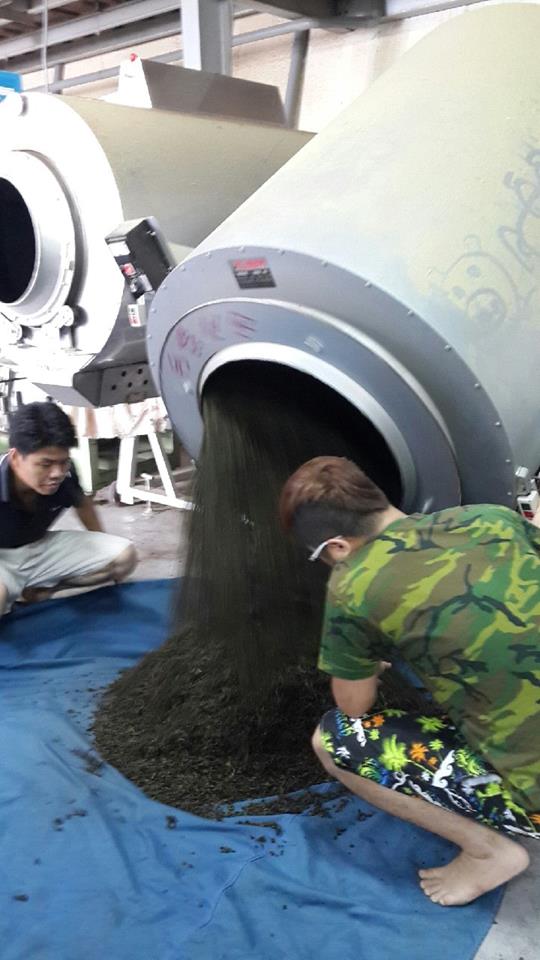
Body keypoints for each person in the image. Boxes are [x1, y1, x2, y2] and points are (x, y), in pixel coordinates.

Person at [279, 455, 540, 907]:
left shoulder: (352, 586)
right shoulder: (493, 518)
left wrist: (372, 665)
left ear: (336, 546)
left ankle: (488, 853)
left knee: (333, 740)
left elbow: (354, 706)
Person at [0, 401, 137, 617]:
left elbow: (83, 504)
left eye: (63, 462)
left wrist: (100, 542)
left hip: (39, 548)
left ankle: (40, 590)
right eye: (45, 464)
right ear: (16, 458)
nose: (57, 473)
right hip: (3, 559)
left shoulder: (65, 473)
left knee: (123, 558)